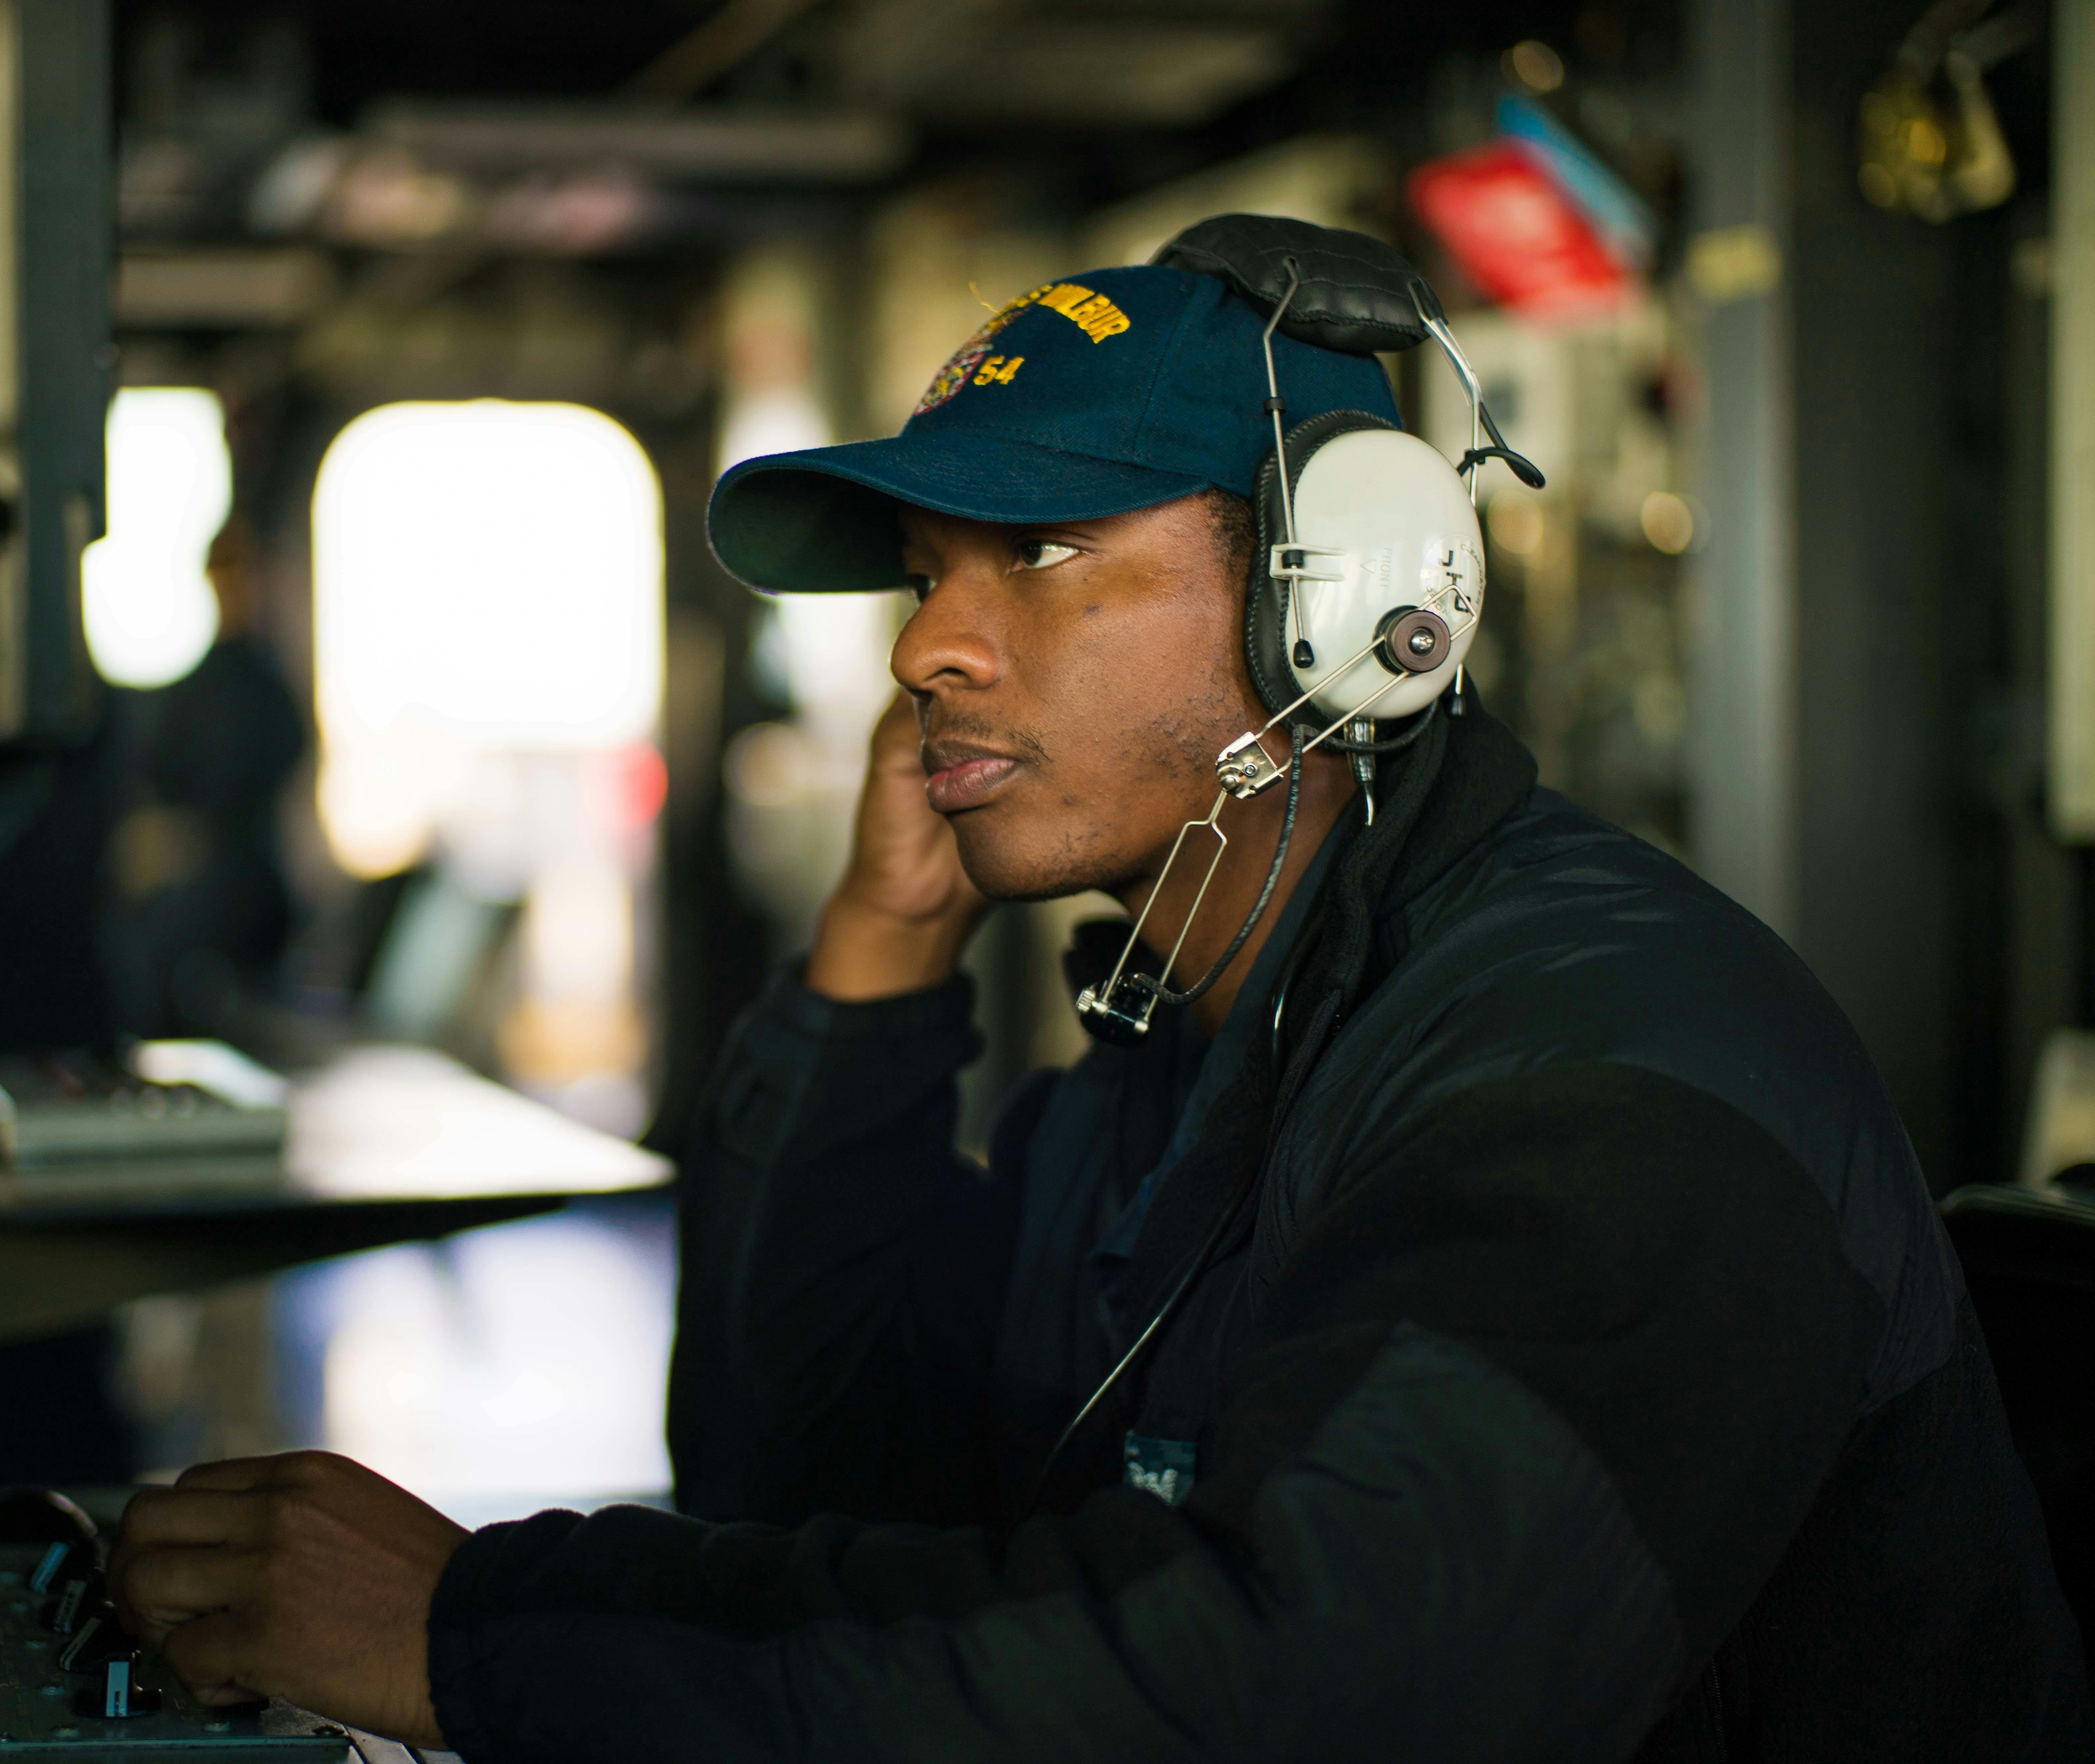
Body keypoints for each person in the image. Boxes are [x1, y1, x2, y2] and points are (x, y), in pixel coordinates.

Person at [107, 228, 2091, 1759]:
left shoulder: (1611, 1076)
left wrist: (481, 1640)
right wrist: (876, 973)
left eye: (1040, 553)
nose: (931, 653)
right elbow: (811, 1480)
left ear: (1335, 598)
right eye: (924, 571)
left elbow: (1309, 1696)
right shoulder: (1171, 1050)